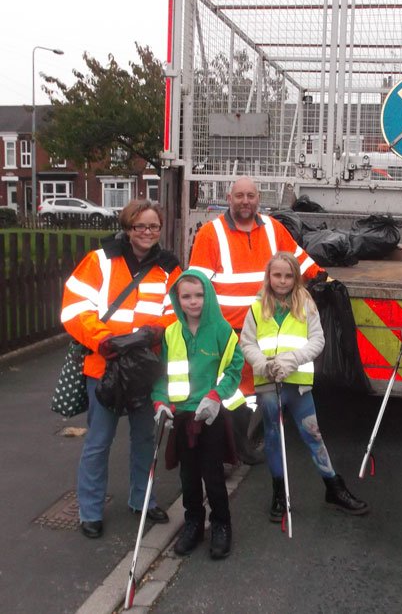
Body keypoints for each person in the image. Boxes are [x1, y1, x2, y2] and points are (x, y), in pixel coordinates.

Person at [61, 200, 181, 539]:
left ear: (160, 230)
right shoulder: (99, 261)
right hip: (105, 364)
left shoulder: (169, 267)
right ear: (128, 228)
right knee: (99, 441)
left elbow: (178, 310)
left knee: (145, 437)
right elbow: (74, 310)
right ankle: (90, 510)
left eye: (153, 227)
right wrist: (104, 341)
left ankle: (142, 500)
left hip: (145, 367)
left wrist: (155, 331)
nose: (147, 233)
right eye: (140, 226)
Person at [189, 177, 326, 464]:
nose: (245, 201)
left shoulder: (272, 229)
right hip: (226, 333)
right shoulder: (210, 234)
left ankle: (241, 446)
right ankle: (222, 453)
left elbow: (296, 259)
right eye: (239, 195)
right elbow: (198, 284)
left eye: (250, 195)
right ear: (229, 198)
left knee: (252, 394)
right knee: (228, 391)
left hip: (260, 330)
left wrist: (322, 276)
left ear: (258, 197)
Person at [240, 252, 368, 520]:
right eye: (277, 275)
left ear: (296, 278)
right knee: (274, 438)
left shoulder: (306, 303)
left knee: (313, 435)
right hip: (270, 386)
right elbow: (247, 343)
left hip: (297, 386)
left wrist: (292, 360)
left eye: (289, 276)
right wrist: (263, 365)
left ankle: (333, 486)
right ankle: (279, 492)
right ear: (269, 276)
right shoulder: (256, 306)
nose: (283, 281)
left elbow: (316, 342)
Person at [151, 269, 243, 558]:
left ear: (209, 295)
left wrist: (216, 396)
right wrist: (160, 402)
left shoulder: (222, 331)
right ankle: (192, 523)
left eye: (199, 295)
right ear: (177, 299)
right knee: (188, 477)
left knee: (213, 476)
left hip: (210, 416)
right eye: (186, 296)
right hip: (181, 418)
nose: (194, 302)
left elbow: (234, 369)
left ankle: (221, 524)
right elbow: (162, 376)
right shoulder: (171, 333)